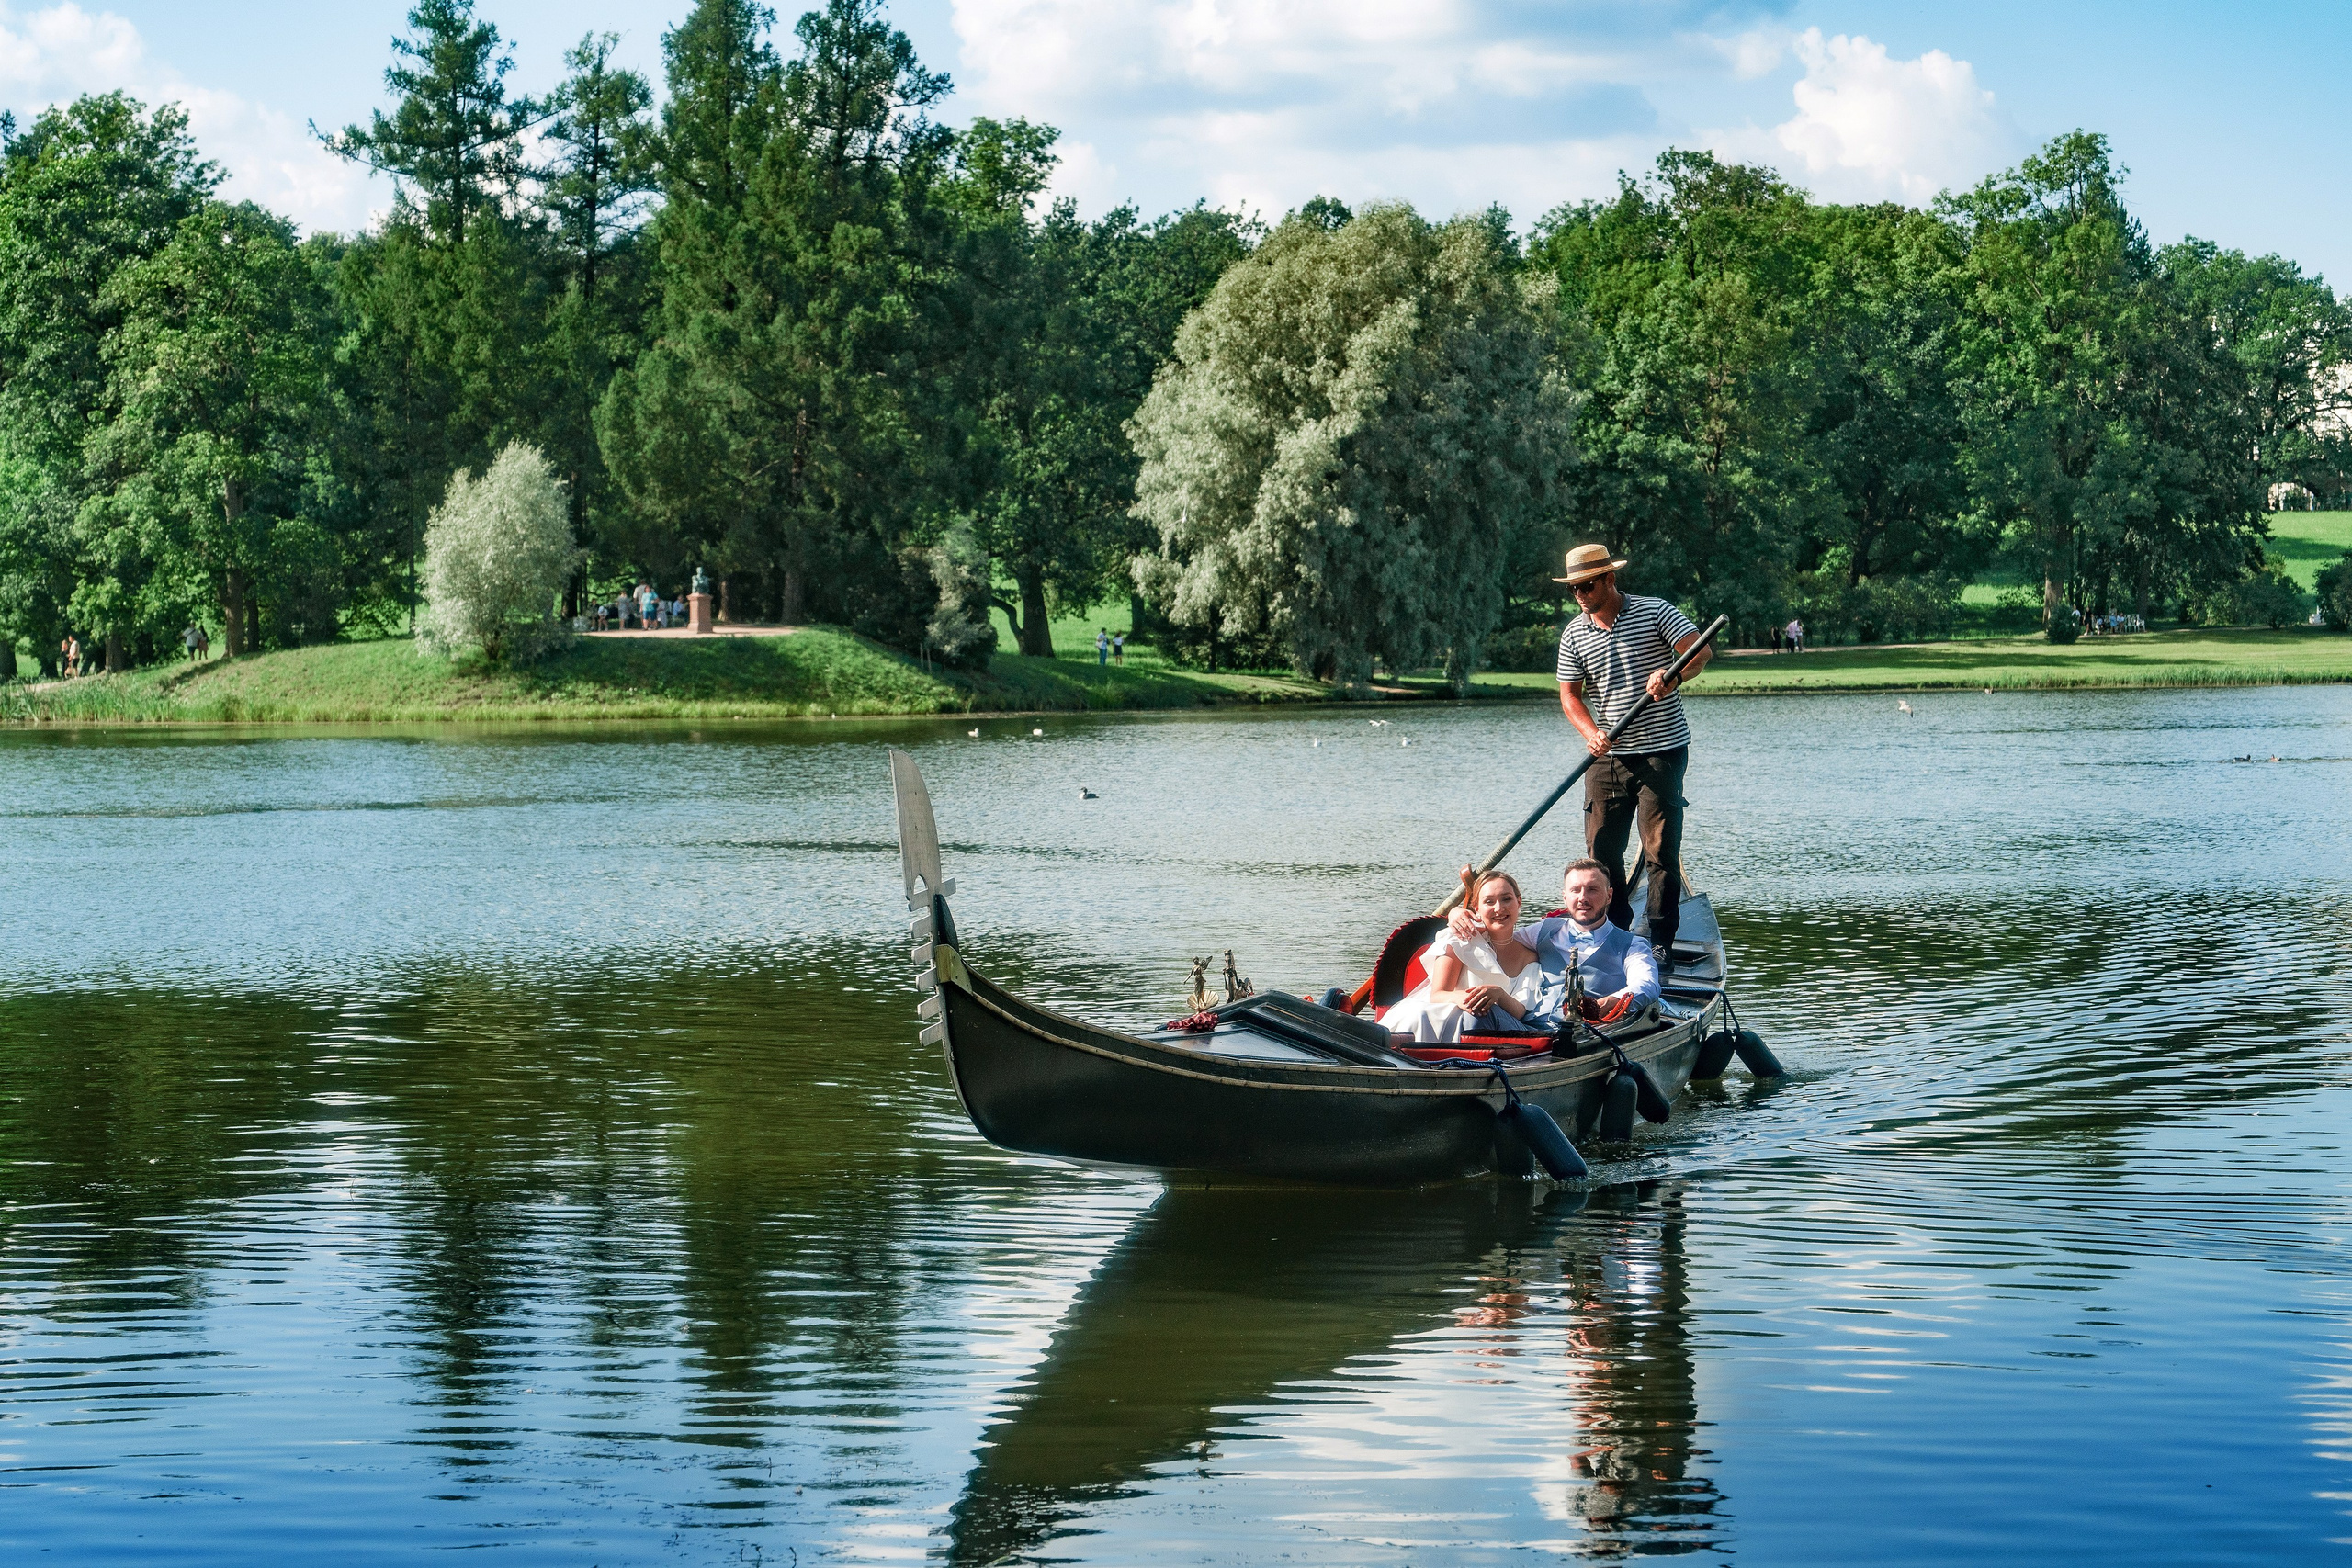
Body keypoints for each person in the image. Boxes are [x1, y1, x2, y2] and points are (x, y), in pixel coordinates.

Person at [1553, 542, 1711, 967]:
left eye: (1587, 585)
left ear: (1609, 579)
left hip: (1662, 752)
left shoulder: (1655, 611)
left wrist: (1673, 676)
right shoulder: (1574, 632)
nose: (1580, 595)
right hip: (1607, 756)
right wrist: (1591, 733)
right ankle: (1616, 934)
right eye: (1573, 589)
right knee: (1601, 851)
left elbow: (1699, 652)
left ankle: (1660, 940)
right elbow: (1569, 695)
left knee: (1659, 849)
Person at [1450, 857, 1659, 1024]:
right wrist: (1457, 913)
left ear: (1609, 895)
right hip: (1528, 1028)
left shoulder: (1632, 945)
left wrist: (1612, 1001)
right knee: (1475, 1015)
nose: (1583, 898)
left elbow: (1647, 984)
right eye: (1575, 890)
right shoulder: (1542, 930)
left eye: (1592, 889)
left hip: (1587, 1035)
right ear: (1565, 897)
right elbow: (1494, 933)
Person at [1380, 872, 1552, 1043]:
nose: (1499, 908)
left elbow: (1520, 1010)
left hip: (1489, 1026)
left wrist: (1498, 994)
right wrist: (1463, 999)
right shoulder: (1460, 939)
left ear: (1518, 902)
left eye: (1506, 899)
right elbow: (1438, 995)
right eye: (1489, 902)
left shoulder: (1528, 957)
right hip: (1441, 1013)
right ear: (1477, 908)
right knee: (1421, 1016)